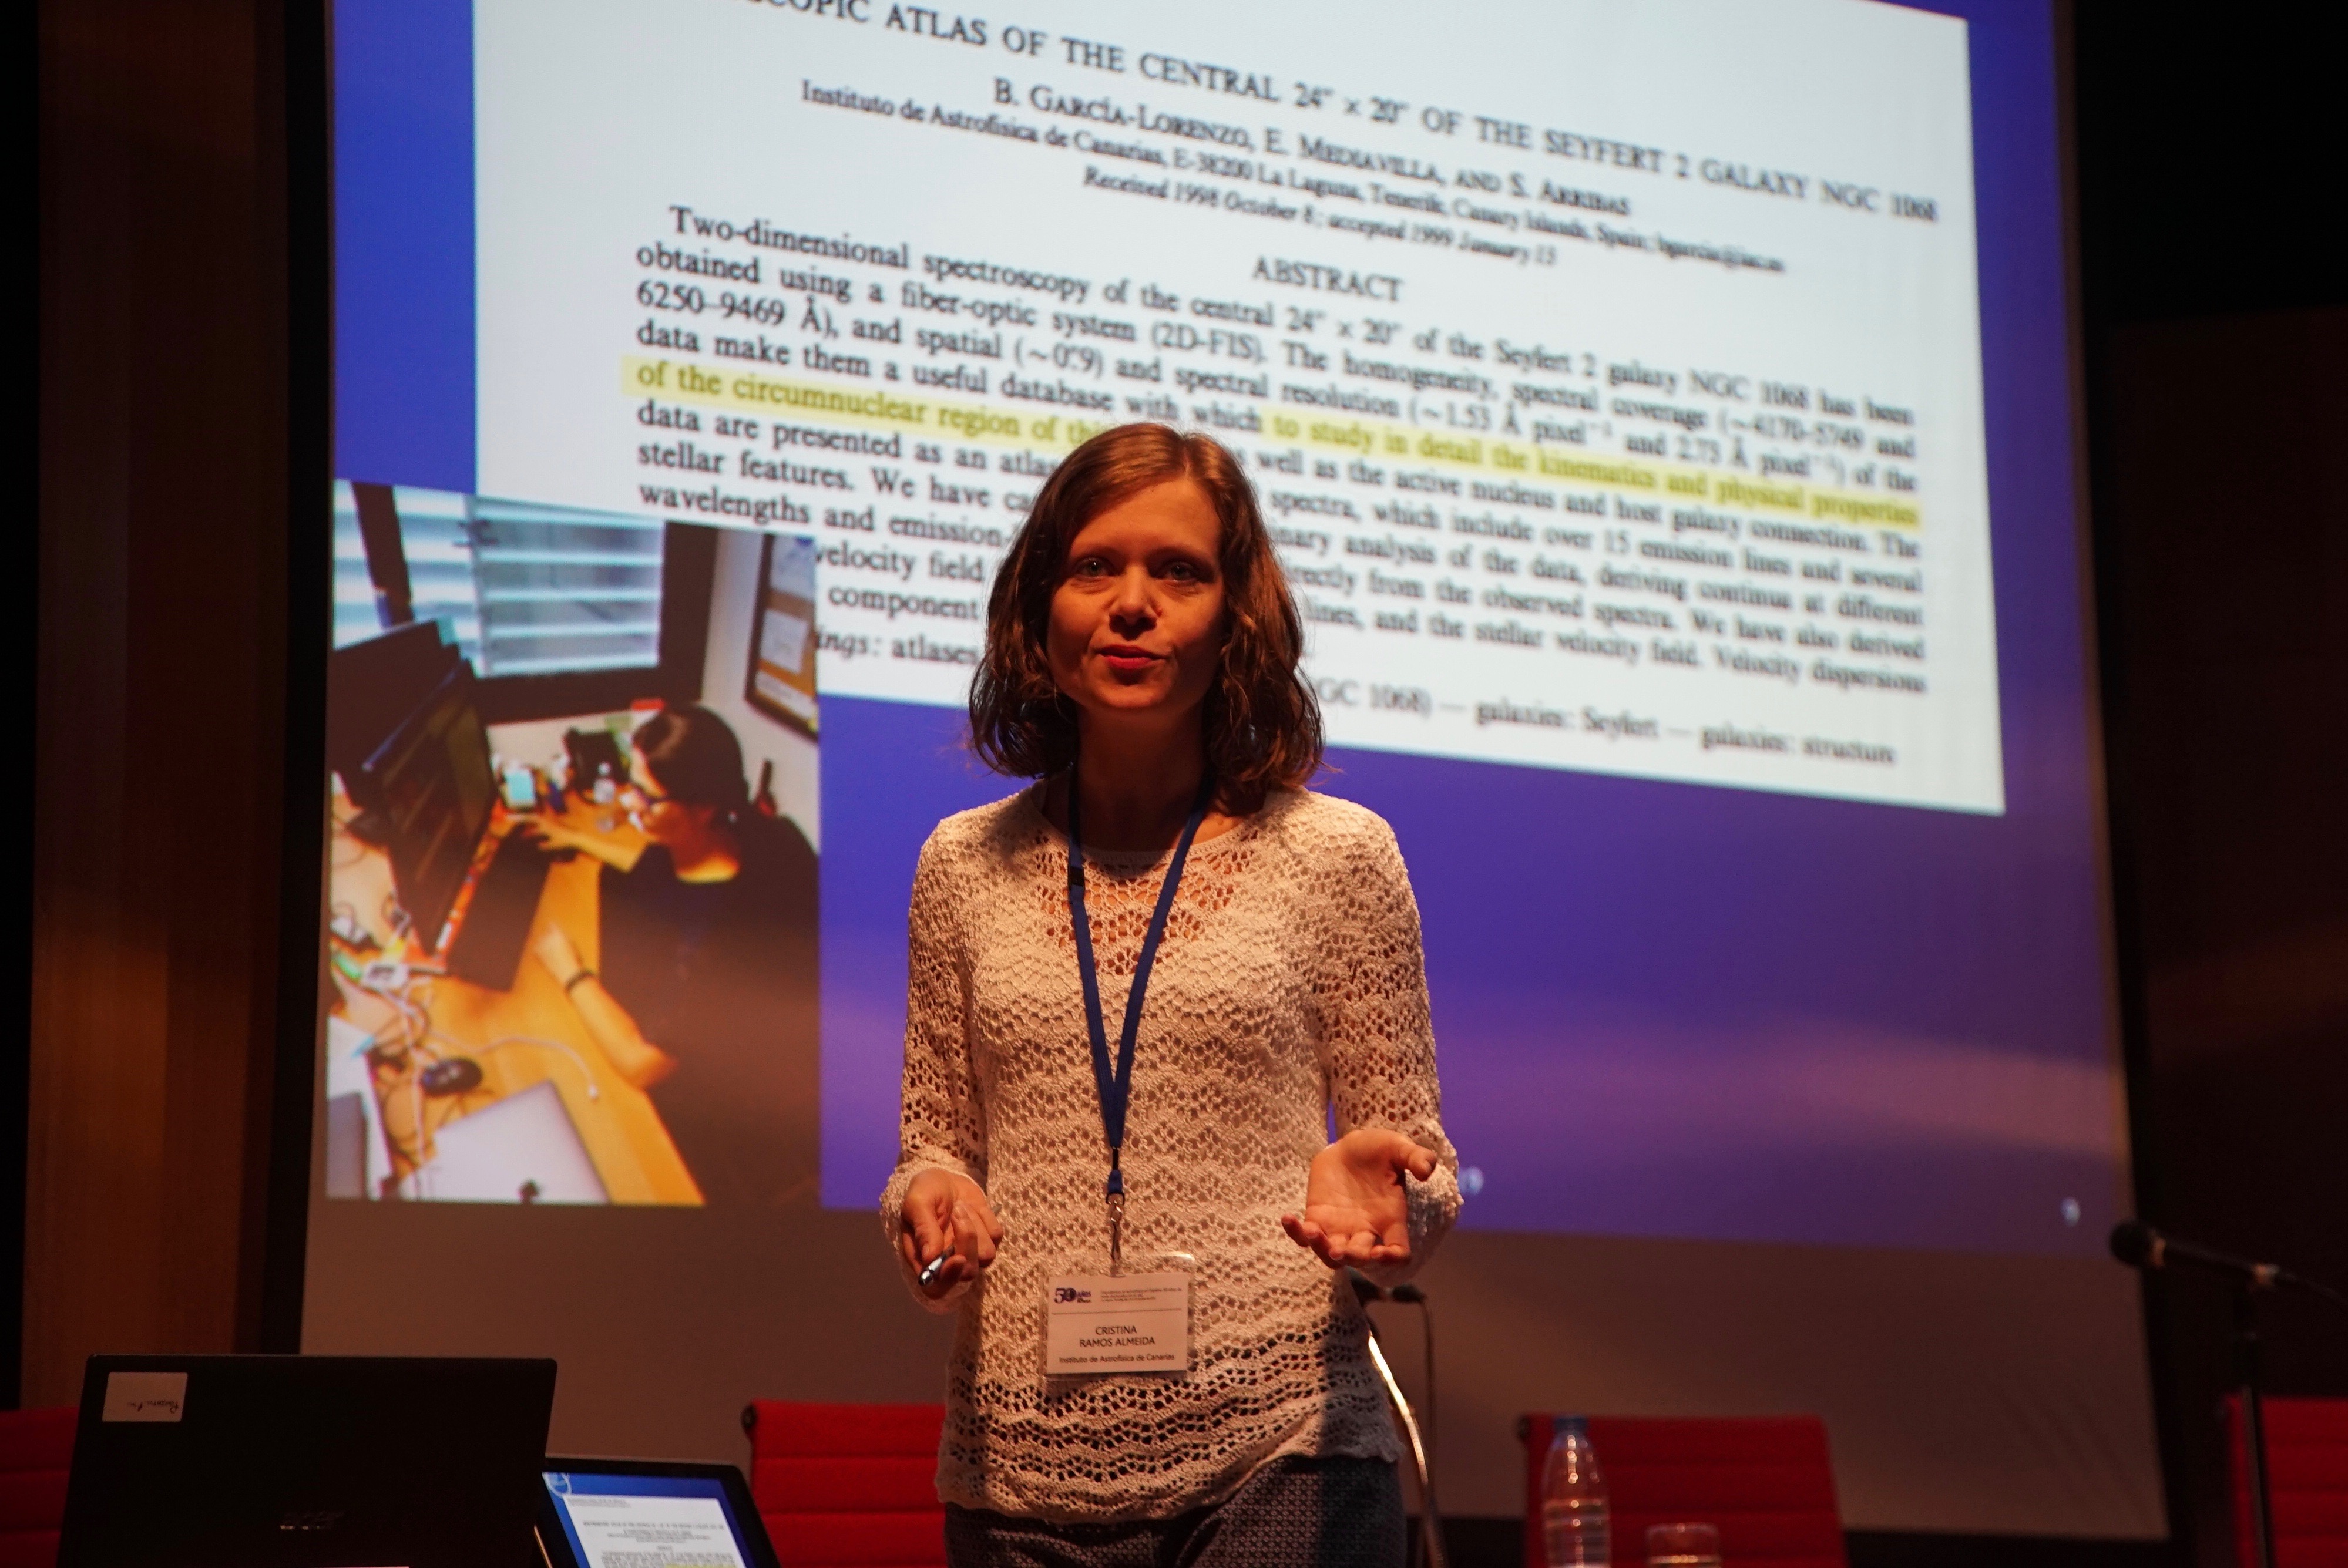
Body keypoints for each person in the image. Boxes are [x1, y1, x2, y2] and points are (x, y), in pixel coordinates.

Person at [884, 423, 1460, 1567]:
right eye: (1095, 566)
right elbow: (933, 1147)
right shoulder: (960, 863)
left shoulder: (1340, 856)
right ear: (1038, 609)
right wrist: (929, 1198)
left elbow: (1421, 1166)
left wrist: (1401, 1207)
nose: (1133, 605)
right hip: (1018, 1476)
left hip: (1280, 1455)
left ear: (1236, 618)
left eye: (1179, 572)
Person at [529, 703, 818, 1207]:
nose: (629, 801)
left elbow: (641, 1064)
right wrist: (575, 836)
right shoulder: (755, 831)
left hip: (736, 1105)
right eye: (631, 782)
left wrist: (569, 970)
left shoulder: (722, 941)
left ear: (701, 808)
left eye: (647, 795)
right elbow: (658, 866)